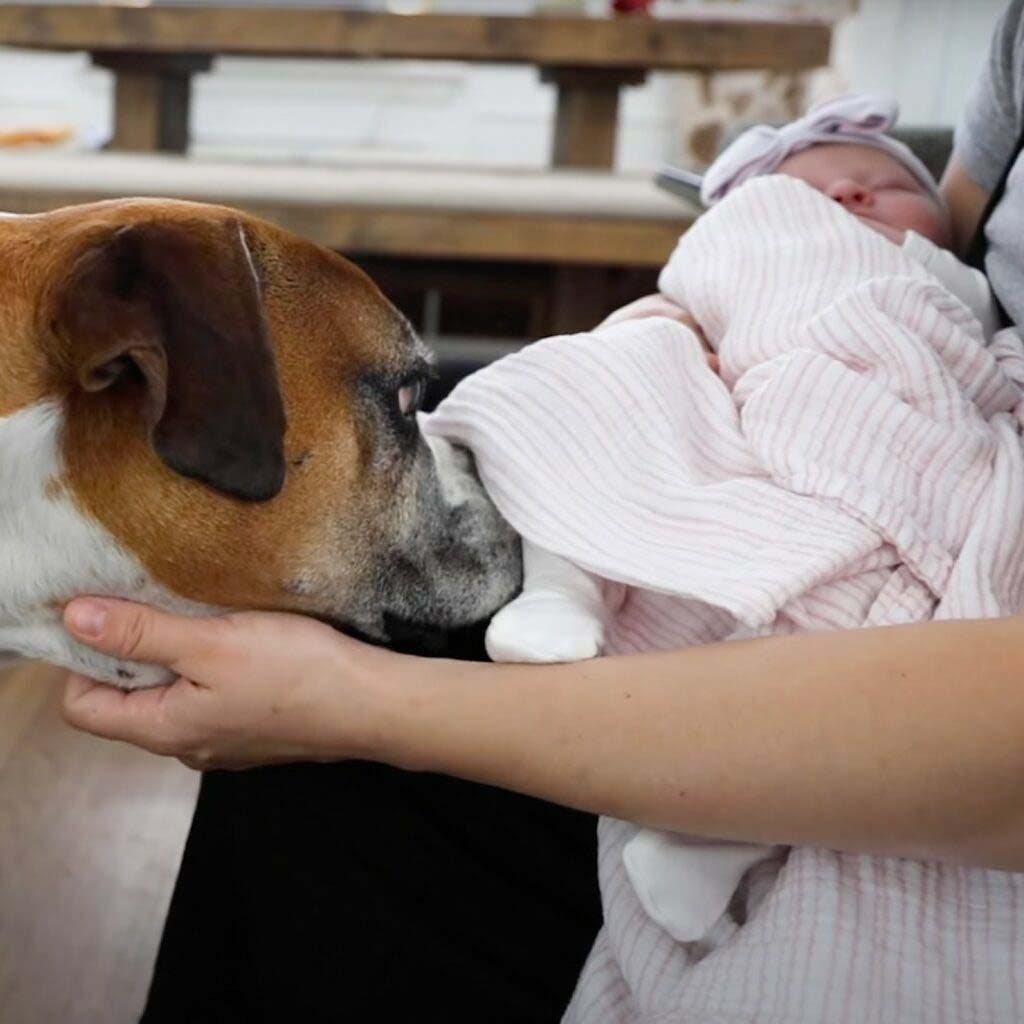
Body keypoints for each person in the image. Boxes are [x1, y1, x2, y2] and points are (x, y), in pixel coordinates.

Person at [60, 3, 1024, 1021]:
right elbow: (950, 235)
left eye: (874, 180)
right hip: (744, 375)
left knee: (329, 748)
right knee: (488, 434)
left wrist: (351, 702)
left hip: (939, 544)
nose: (856, 188)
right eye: (830, 177)